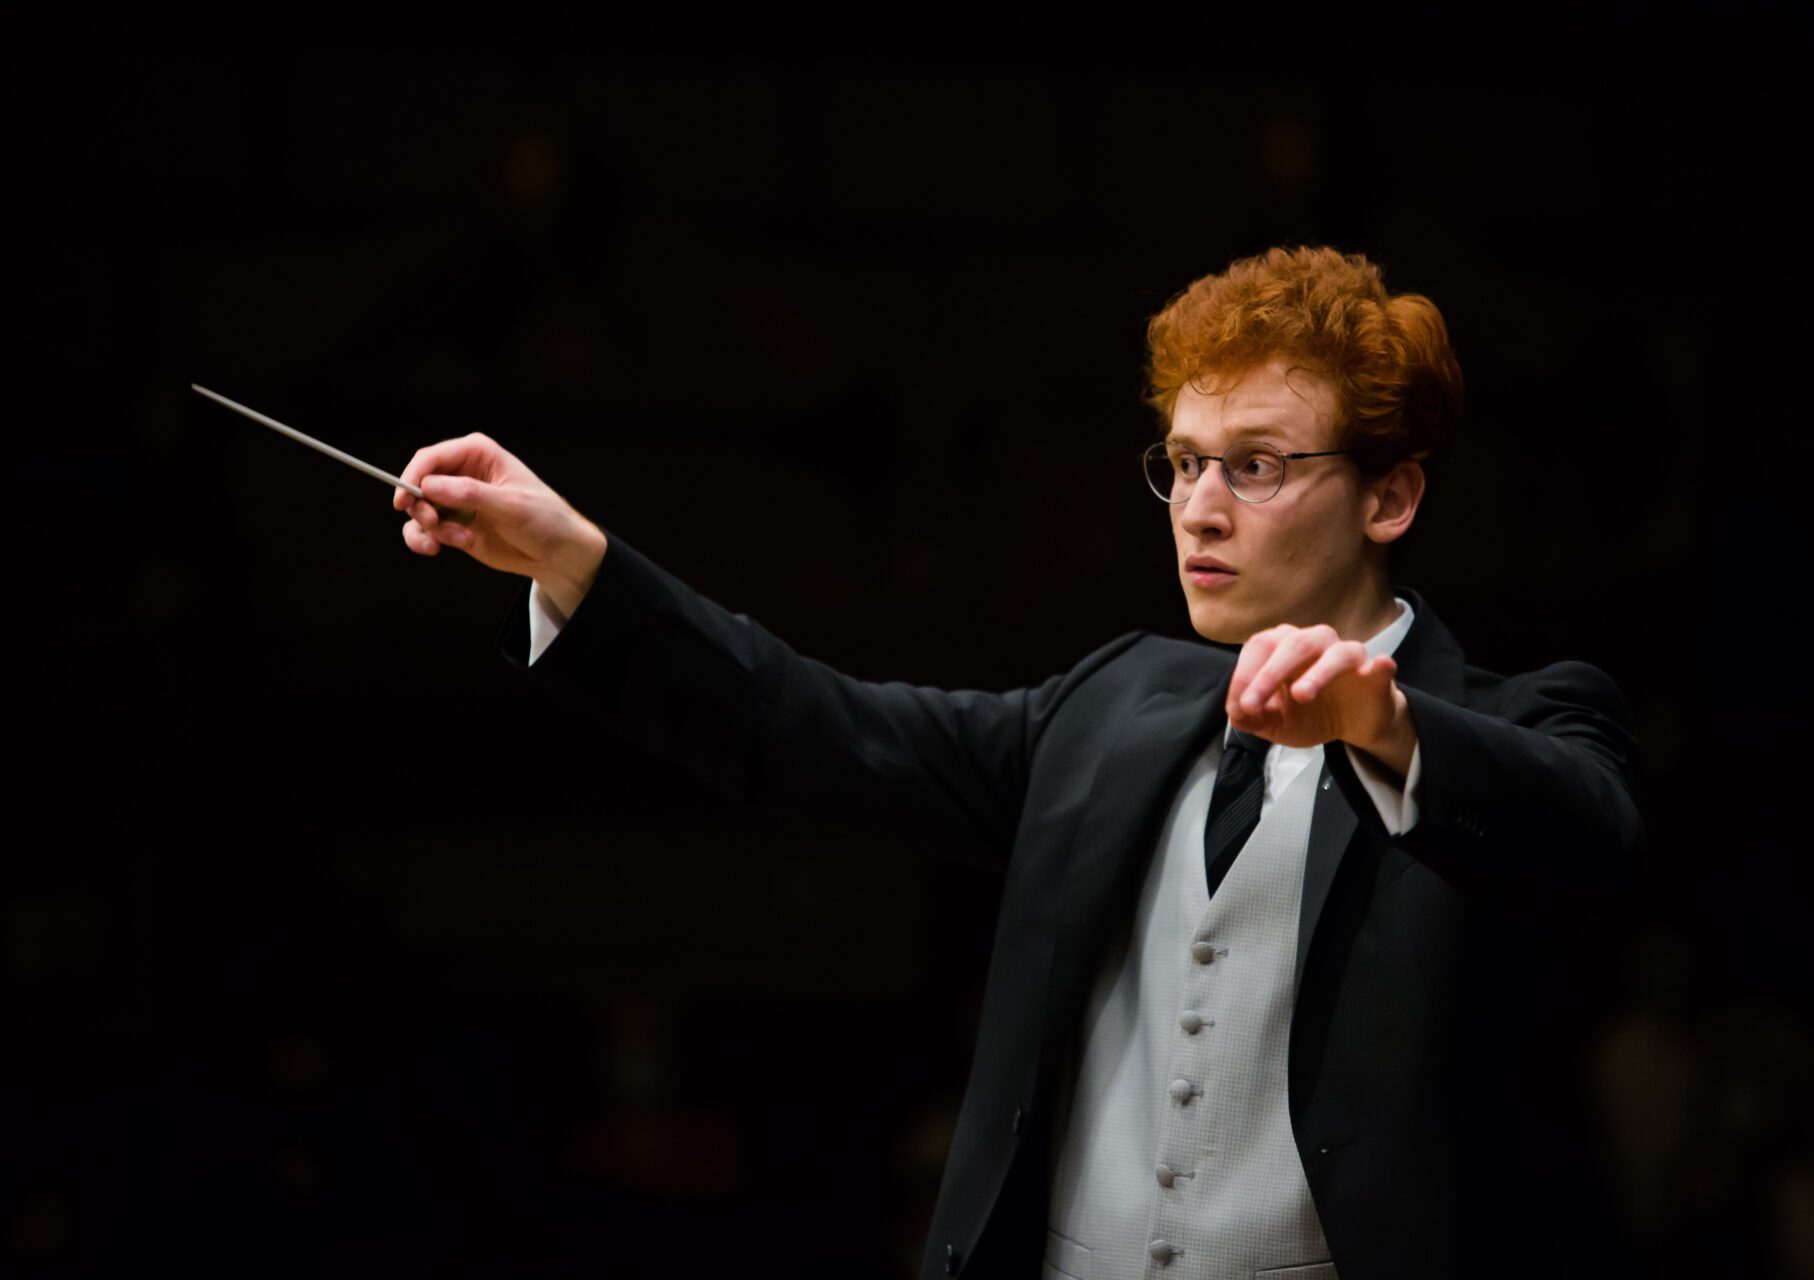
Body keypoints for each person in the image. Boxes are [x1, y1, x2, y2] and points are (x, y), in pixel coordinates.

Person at [393, 246, 1644, 1280]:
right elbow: (810, 727)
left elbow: (1586, 831)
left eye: (1256, 464)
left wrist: (1388, 727)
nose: (1199, 507)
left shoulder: (1510, 722)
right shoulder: (1108, 708)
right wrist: (574, 562)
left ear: (1391, 497)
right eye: (1184, 459)